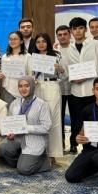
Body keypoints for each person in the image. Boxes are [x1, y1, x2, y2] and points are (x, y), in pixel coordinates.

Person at [63, 17, 98, 154]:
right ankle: (73, 144)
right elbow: (67, 71)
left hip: (92, 91)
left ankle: (93, 146)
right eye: (75, 29)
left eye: (80, 28)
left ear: (86, 30)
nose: (77, 31)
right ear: (71, 31)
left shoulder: (95, 45)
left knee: (93, 120)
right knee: (76, 120)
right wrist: (72, 78)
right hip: (76, 91)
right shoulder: (68, 49)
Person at [0, 77, 53, 176]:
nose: (23, 89)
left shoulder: (42, 104)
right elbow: (10, 122)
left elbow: (46, 127)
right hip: (17, 138)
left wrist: (26, 128)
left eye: (27, 86)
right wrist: (10, 132)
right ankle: (21, 160)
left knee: (24, 170)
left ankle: (43, 161)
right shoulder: (14, 103)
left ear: (32, 86)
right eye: (20, 86)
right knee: (3, 148)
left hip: (34, 140)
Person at [31, 32, 65, 160]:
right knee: (38, 119)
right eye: (38, 42)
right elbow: (30, 73)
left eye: (43, 41)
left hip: (52, 86)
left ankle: (53, 153)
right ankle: (40, 151)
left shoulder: (56, 54)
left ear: (48, 42)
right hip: (37, 87)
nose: (41, 44)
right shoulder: (32, 56)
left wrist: (59, 68)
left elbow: (64, 74)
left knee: (53, 118)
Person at [0, 30, 30, 101]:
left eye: (15, 39)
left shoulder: (27, 56)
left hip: (23, 90)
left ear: (21, 41)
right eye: (10, 39)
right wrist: (0, 75)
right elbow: (2, 72)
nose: (12, 41)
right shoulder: (5, 56)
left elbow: (30, 75)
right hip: (7, 90)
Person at [55, 25, 72, 146]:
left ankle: (74, 144)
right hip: (59, 89)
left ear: (70, 35)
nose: (62, 37)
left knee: (75, 117)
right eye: (59, 35)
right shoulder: (54, 51)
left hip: (74, 88)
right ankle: (60, 143)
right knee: (59, 117)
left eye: (65, 34)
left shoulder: (76, 49)